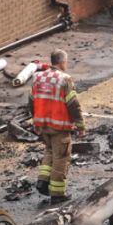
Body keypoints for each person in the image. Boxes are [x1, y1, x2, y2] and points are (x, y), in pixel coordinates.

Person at [29, 49, 85, 203]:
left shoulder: (37, 77)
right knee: (61, 158)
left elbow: (31, 101)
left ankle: (42, 181)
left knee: (49, 151)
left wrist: (35, 121)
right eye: (66, 62)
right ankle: (58, 194)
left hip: (42, 124)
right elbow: (73, 104)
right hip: (59, 127)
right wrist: (80, 125)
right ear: (61, 62)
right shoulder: (64, 79)